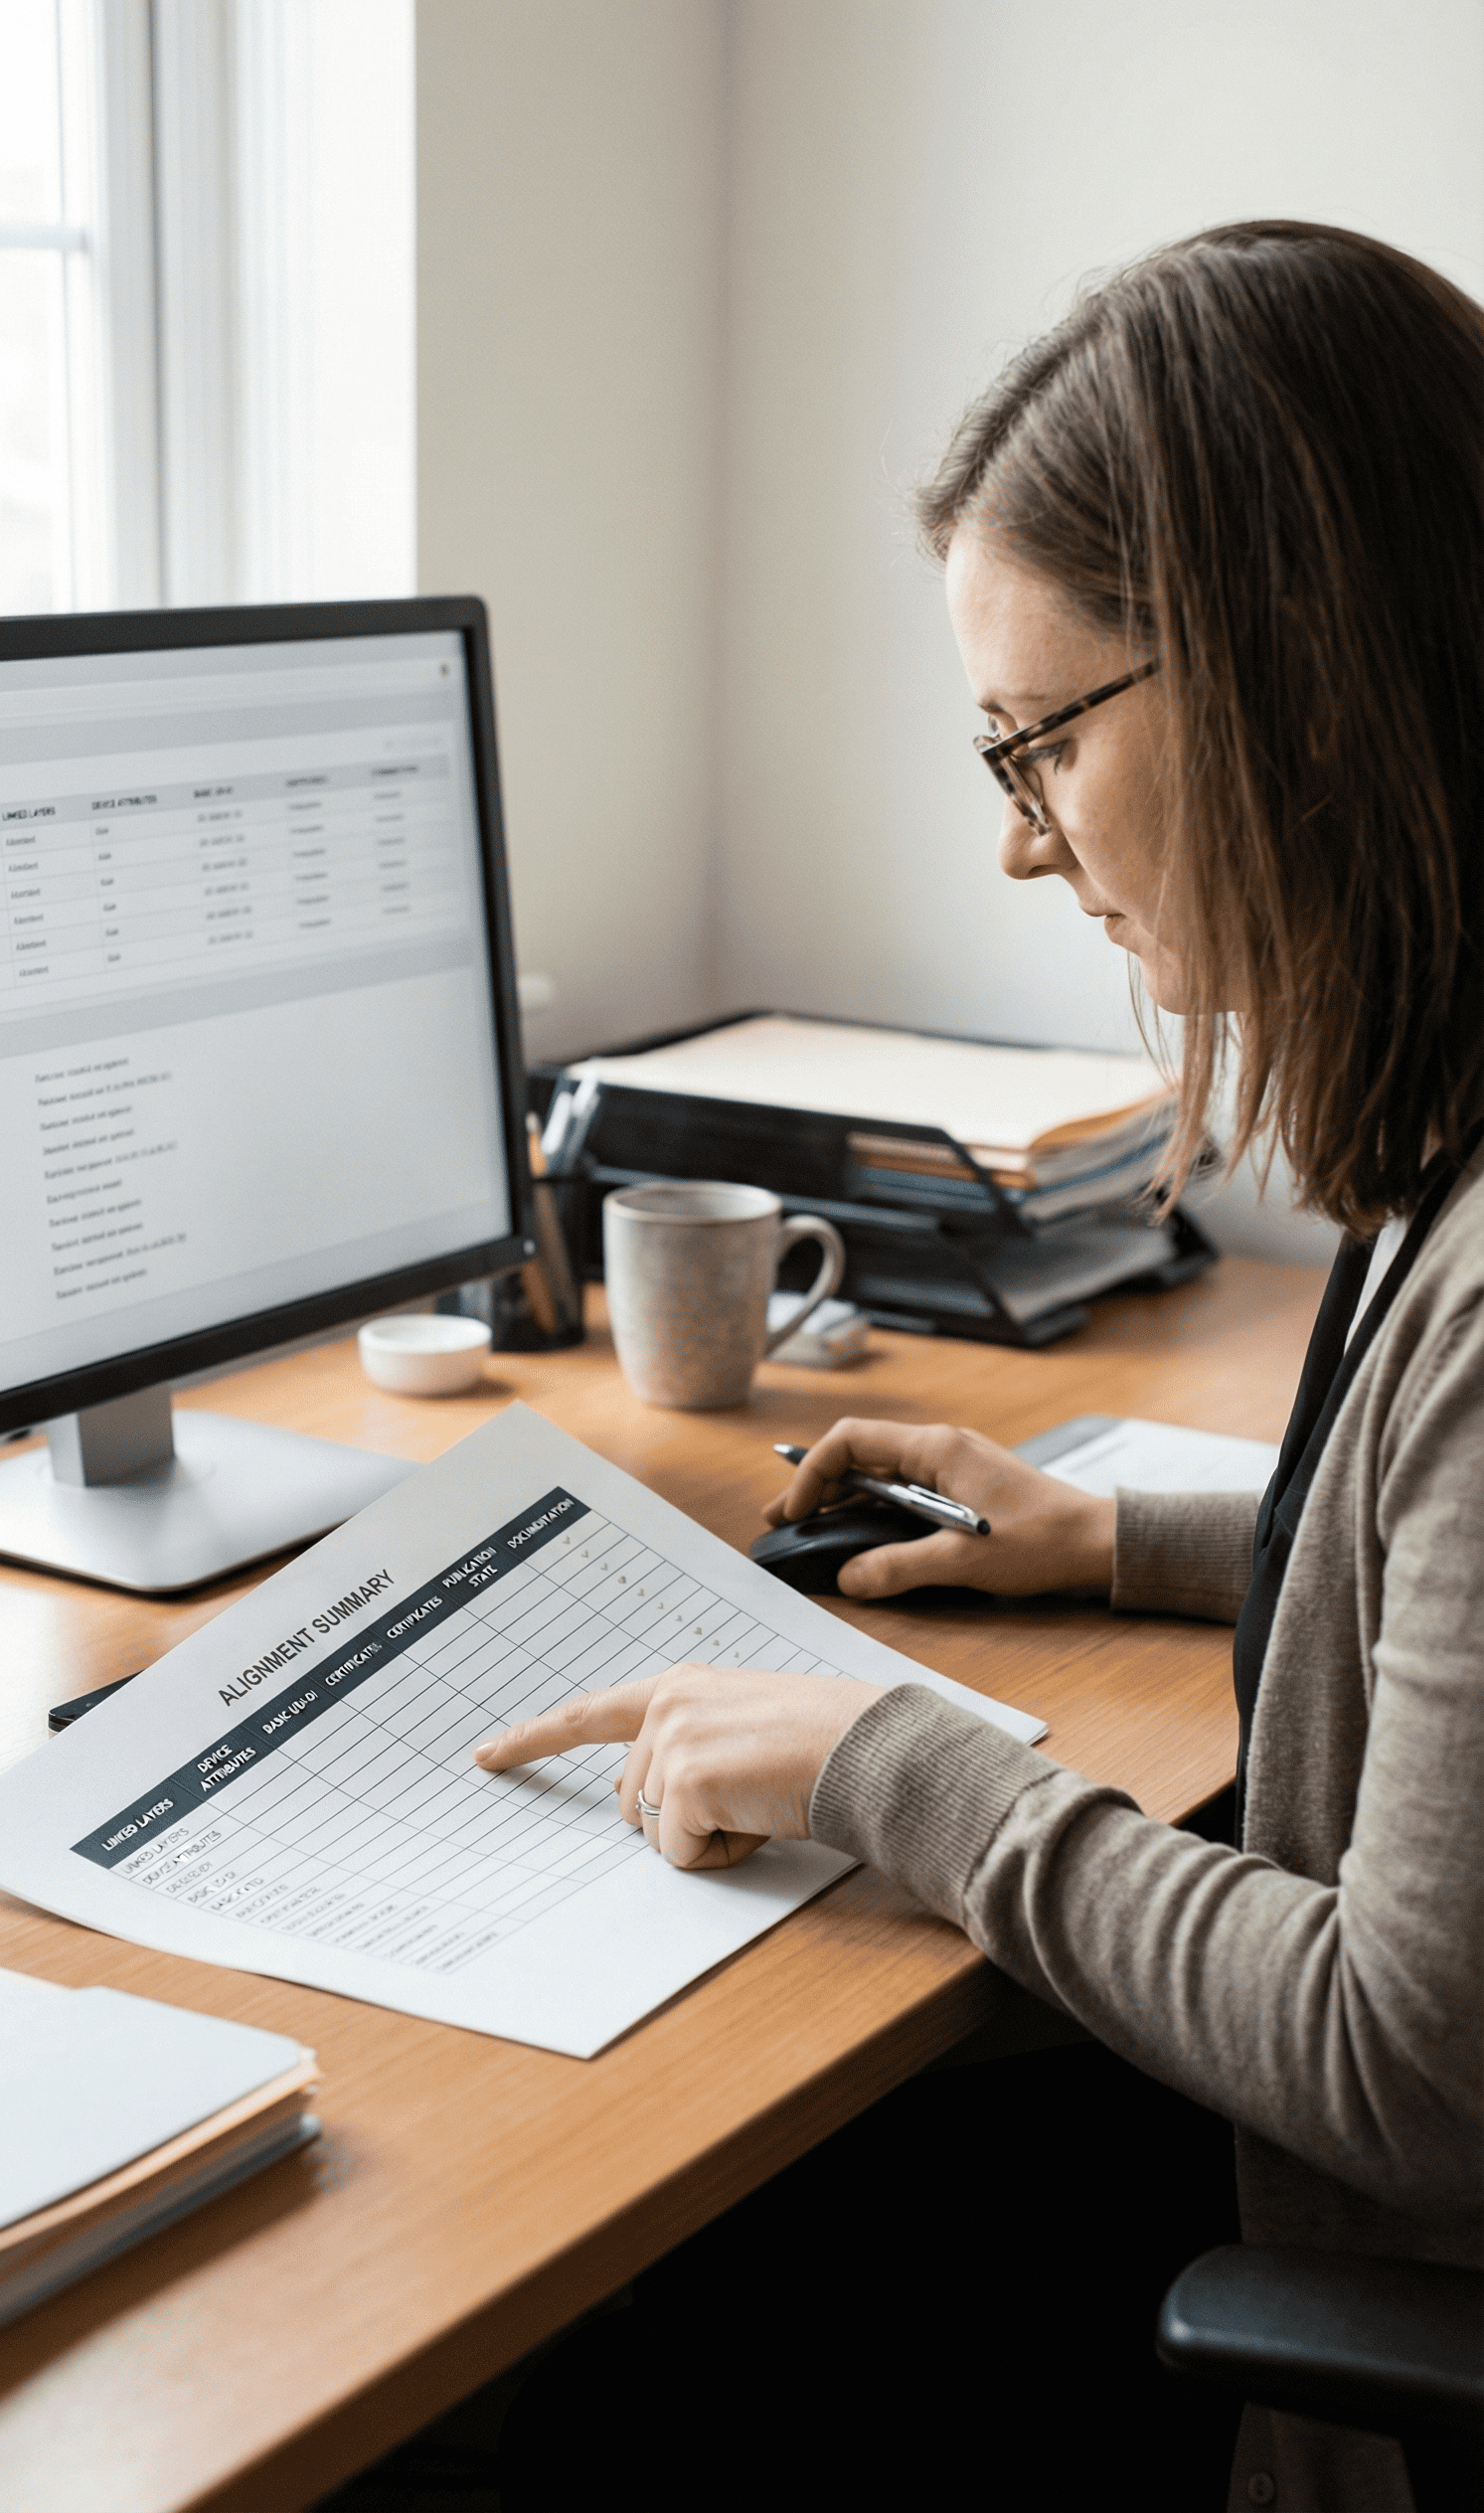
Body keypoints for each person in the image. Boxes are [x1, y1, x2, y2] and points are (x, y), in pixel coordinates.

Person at [478, 223, 1484, 2512]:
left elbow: (1404, 2056)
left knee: (654, 2386)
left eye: (1037, 740)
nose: (1015, 842)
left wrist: (896, 1771)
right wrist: (1112, 1533)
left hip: (1376, 2321)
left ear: (1291, 678)